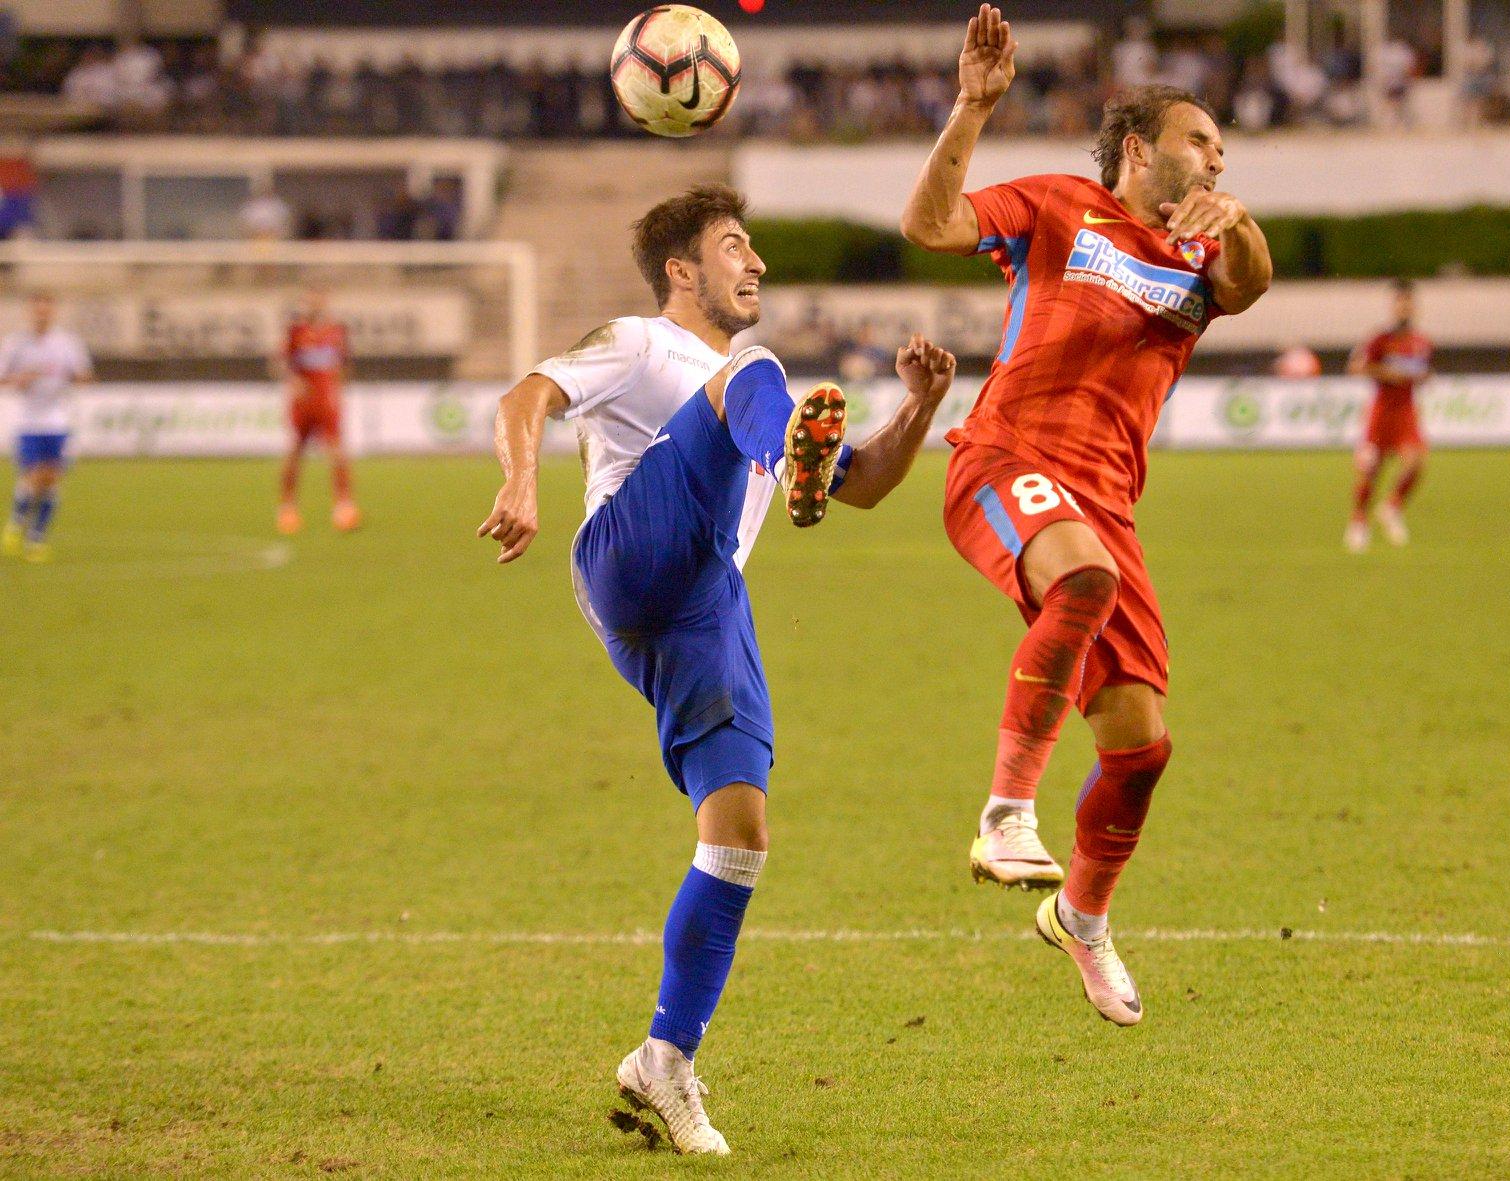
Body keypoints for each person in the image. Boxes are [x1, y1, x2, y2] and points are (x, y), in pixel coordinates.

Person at [478, 184, 956, 1155]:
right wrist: (522, 477)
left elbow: (858, 484)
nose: (757, 263)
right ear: (682, 271)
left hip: (701, 600)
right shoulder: (645, 343)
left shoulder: (748, 385)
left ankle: (664, 1057)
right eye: (736, 246)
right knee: (753, 377)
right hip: (628, 551)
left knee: (738, 832)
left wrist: (923, 405)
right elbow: (525, 394)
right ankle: (787, 462)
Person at [900, 5, 1271, 1026]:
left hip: (1107, 504)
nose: (1213, 158)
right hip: (1004, 458)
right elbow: (930, 225)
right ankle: (1005, 811)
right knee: (1078, 576)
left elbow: (1249, 287)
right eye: (1200, 140)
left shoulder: (1204, 256)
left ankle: (1082, 916)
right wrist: (972, 111)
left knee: (1139, 750)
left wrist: (1233, 217)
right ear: (1140, 148)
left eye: (1222, 151)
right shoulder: (1059, 205)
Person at [2, 293, 94, 563]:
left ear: (52, 311)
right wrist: (22, 378)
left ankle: (36, 539)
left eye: (47, 307)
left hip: (57, 420)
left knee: (51, 480)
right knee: (34, 476)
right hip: (29, 421)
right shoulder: (15, 343)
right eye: (37, 307)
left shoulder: (67, 343)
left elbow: (85, 376)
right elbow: (3, 377)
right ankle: (17, 521)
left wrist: (74, 378)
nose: (42, 312)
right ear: (31, 311)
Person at [1345, 279, 1432, 552]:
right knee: (1371, 470)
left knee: (1416, 462)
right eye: (1400, 303)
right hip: (1381, 411)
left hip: (1406, 412)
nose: (1404, 308)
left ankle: (1391, 508)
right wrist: (1388, 374)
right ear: (1394, 307)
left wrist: (1422, 377)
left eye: (1408, 304)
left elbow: (1424, 372)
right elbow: (1356, 367)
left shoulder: (1422, 342)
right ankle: (1359, 521)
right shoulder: (1380, 339)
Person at [273, 288, 358, 534]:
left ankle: (344, 507)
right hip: (303, 403)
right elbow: (281, 364)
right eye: (309, 302)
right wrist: (294, 382)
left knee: (337, 452)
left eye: (317, 302)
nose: (314, 307)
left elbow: (344, 365)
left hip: (327, 402)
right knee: (295, 452)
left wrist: (338, 388)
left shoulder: (335, 332)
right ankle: (287, 507)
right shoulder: (295, 333)